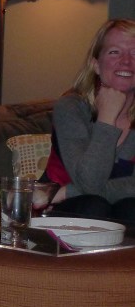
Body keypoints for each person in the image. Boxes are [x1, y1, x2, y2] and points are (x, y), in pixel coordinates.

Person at [44, 18, 135, 222]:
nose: (126, 61)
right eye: (114, 52)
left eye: (134, 53)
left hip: (69, 196)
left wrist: (68, 191)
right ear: (96, 65)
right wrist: (107, 119)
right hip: (63, 212)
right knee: (94, 206)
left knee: (132, 208)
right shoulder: (71, 108)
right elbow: (90, 185)